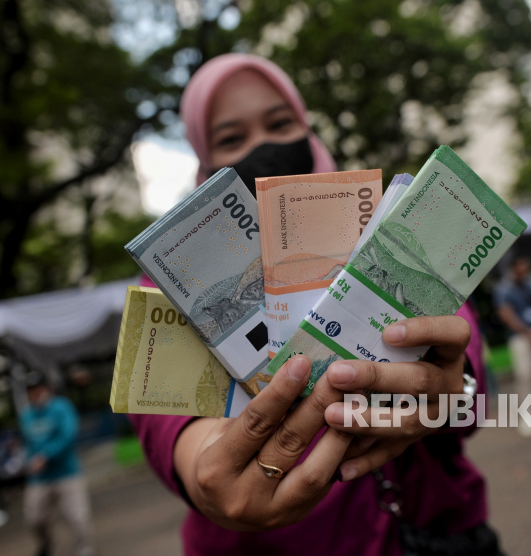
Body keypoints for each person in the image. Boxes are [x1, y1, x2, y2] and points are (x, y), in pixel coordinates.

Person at [131, 53, 505, 556]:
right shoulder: (176, 277)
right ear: (204, 159)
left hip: (425, 531)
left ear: (308, 130)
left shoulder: (385, 228)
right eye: (230, 138)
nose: (262, 147)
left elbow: (463, 362)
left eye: (280, 123)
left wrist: (450, 385)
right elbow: (166, 416)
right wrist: (204, 470)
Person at [19, 375, 94, 556]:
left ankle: (84, 550)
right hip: (39, 478)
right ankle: (46, 545)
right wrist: (27, 461)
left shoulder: (61, 407)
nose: (34, 394)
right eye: (30, 391)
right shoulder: (27, 415)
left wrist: (46, 456)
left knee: (78, 517)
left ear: (46, 389)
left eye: (37, 389)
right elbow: (28, 443)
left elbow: (68, 436)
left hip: (67, 473)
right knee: (33, 519)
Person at [493, 257, 531, 436]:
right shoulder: (503, 289)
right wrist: (528, 333)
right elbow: (507, 315)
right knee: (524, 375)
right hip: (520, 337)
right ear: (514, 268)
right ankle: (527, 416)